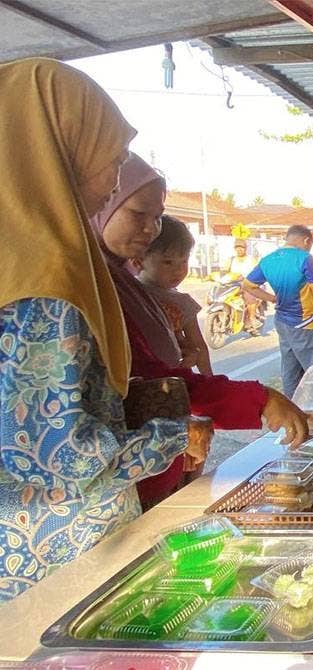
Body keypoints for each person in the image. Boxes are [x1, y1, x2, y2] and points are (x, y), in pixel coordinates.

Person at [0, 58, 210, 602]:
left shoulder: (26, 259)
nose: (114, 178)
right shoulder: (49, 278)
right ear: (56, 150)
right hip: (57, 552)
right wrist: (172, 436)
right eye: (109, 158)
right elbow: (63, 459)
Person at [92, 155, 309, 509]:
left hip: (158, 468)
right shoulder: (86, 287)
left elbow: (159, 383)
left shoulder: (116, 282)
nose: (150, 228)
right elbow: (151, 383)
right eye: (138, 214)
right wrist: (256, 401)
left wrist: (187, 424)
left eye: (158, 217)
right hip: (112, 496)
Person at [243, 225, 313, 397]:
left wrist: (271, 298)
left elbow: (248, 285)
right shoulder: (305, 258)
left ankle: (293, 408)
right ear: (306, 240)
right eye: (310, 243)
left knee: (291, 369)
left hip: (282, 320)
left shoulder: (268, 260)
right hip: (305, 322)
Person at [137, 215, 213, 375]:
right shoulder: (128, 292)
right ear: (140, 258)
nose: (178, 271)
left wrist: (210, 381)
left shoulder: (183, 303)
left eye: (184, 261)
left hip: (173, 378)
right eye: (168, 262)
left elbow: (199, 346)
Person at [226, 238, 261, 332]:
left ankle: (252, 318)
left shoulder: (251, 259)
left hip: (248, 284)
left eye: (241, 248)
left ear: (245, 248)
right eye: (237, 248)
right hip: (233, 285)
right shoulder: (231, 260)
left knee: (250, 298)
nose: (239, 250)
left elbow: (258, 271)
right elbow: (224, 271)